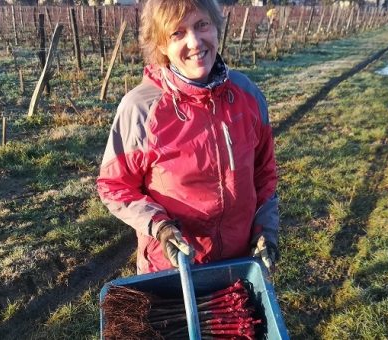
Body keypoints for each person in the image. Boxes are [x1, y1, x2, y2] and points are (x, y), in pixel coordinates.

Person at [97, 0, 279, 275]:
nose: (195, 42)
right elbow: (114, 185)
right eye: (177, 33)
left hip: (239, 266)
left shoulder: (247, 94)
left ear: (216, 27)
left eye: (201, 25)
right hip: (172, 269)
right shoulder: (141, 109)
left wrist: (265, 230)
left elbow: (264, 173)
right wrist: (160, 227)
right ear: (161, 46)